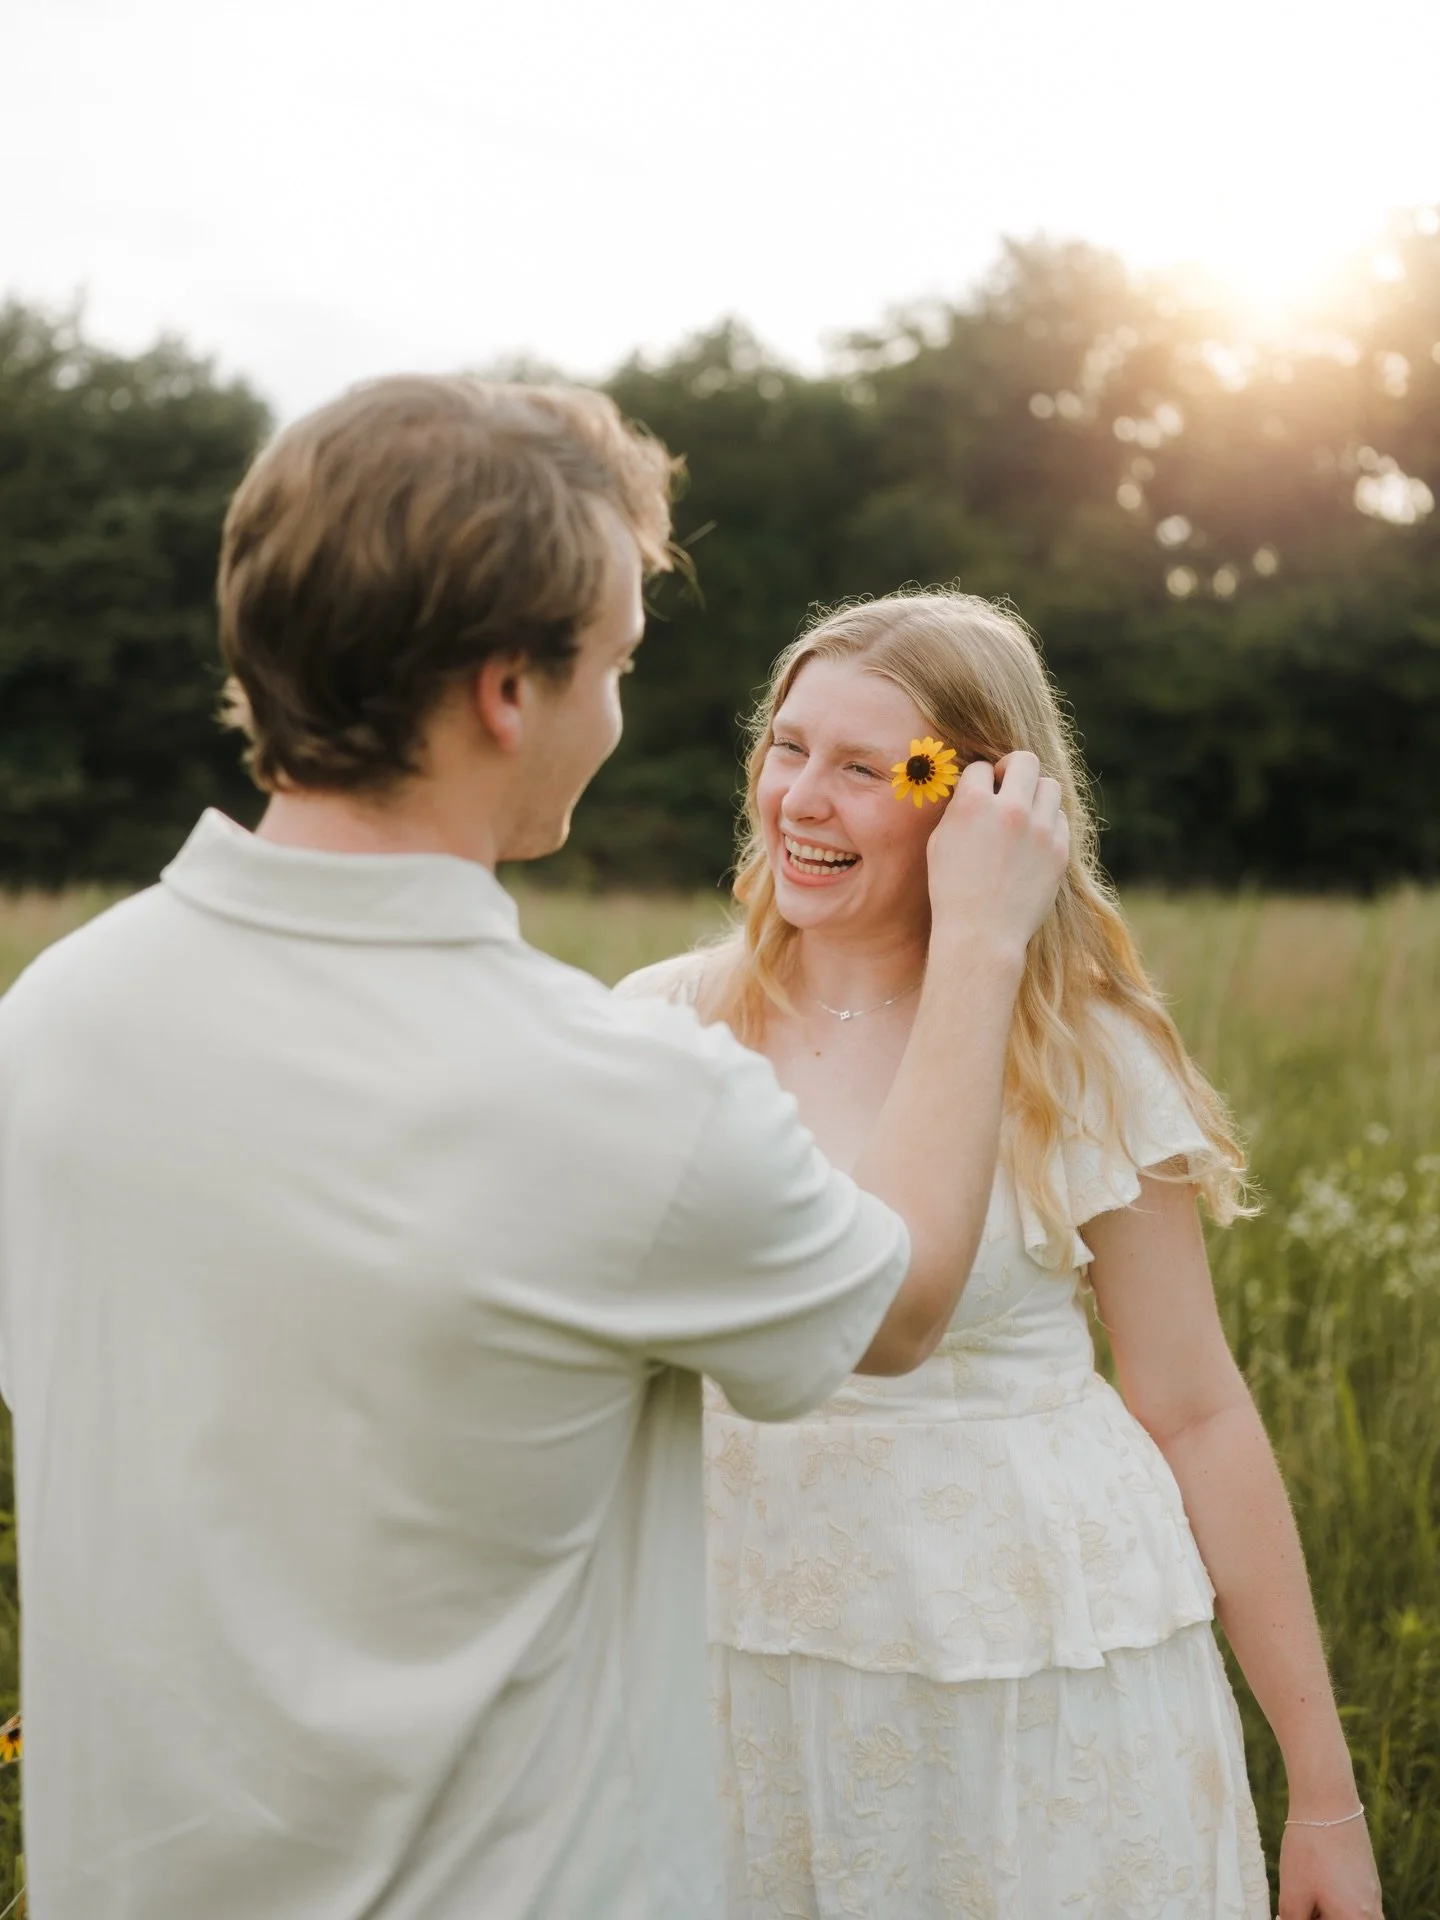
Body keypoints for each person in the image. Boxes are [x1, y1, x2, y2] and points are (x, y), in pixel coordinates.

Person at [0, 381, 1069, 1920]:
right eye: (618, 663)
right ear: (511, 690)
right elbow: (900, 1307)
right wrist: (978, 946)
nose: (620, 714)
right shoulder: (623, 1099)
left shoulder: (51, 1023)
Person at [617, 591, 1383, 1920]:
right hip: (724, 1642)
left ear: (984, 803)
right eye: (789, 746)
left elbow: (1195, 1409)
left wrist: (1323, 1795)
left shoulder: (1081, 1056)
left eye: (868, 769)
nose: (802, 798)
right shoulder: (659, 1028)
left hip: (1020, 1665)